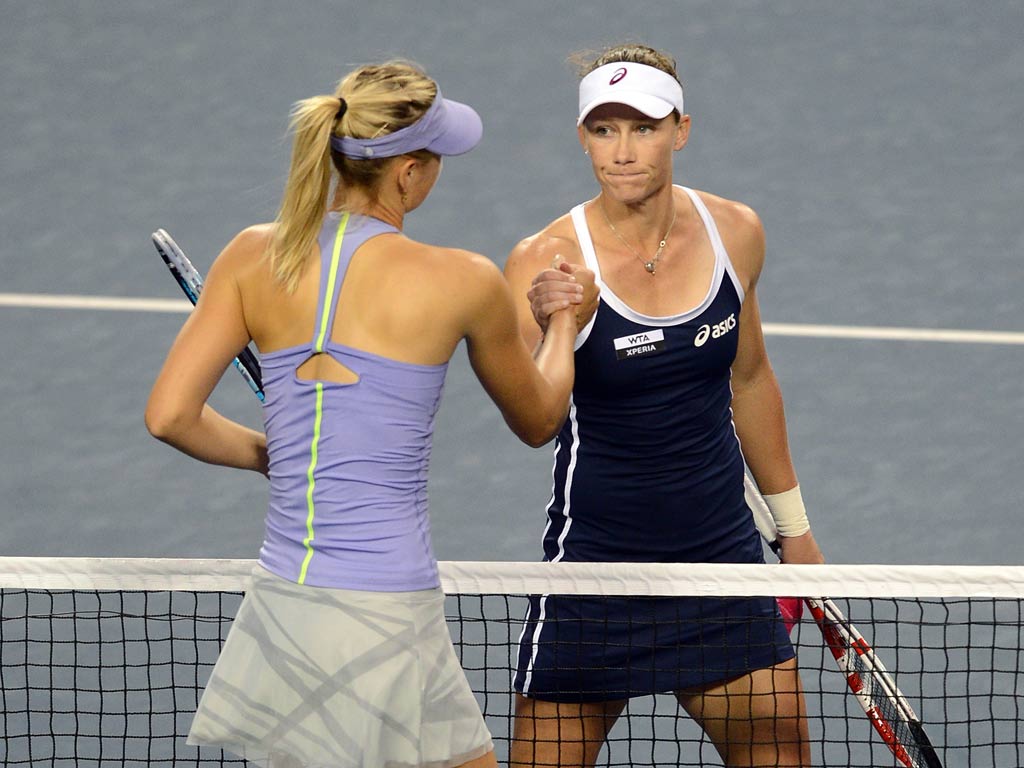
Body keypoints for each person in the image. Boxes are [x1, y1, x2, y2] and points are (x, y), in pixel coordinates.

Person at [145, 61, 588, 768]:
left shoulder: (251, 255)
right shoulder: (462, 280)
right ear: (407, 174)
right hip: (388, 609)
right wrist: (564, 322)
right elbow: (539, 420)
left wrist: (274, 453)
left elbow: (170, 416)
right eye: (433, 157)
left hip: (286, 603)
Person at [504, 44, 825, 768]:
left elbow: (750, 380)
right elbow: (534, 422)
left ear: (681, 130)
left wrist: (795, 532)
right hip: (595, 572)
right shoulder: (544, 260)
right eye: (603, 130)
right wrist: (559, 326)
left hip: (720, 563)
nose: (622, 152)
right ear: (583, 137)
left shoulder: (734, 231)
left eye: (643, 128)